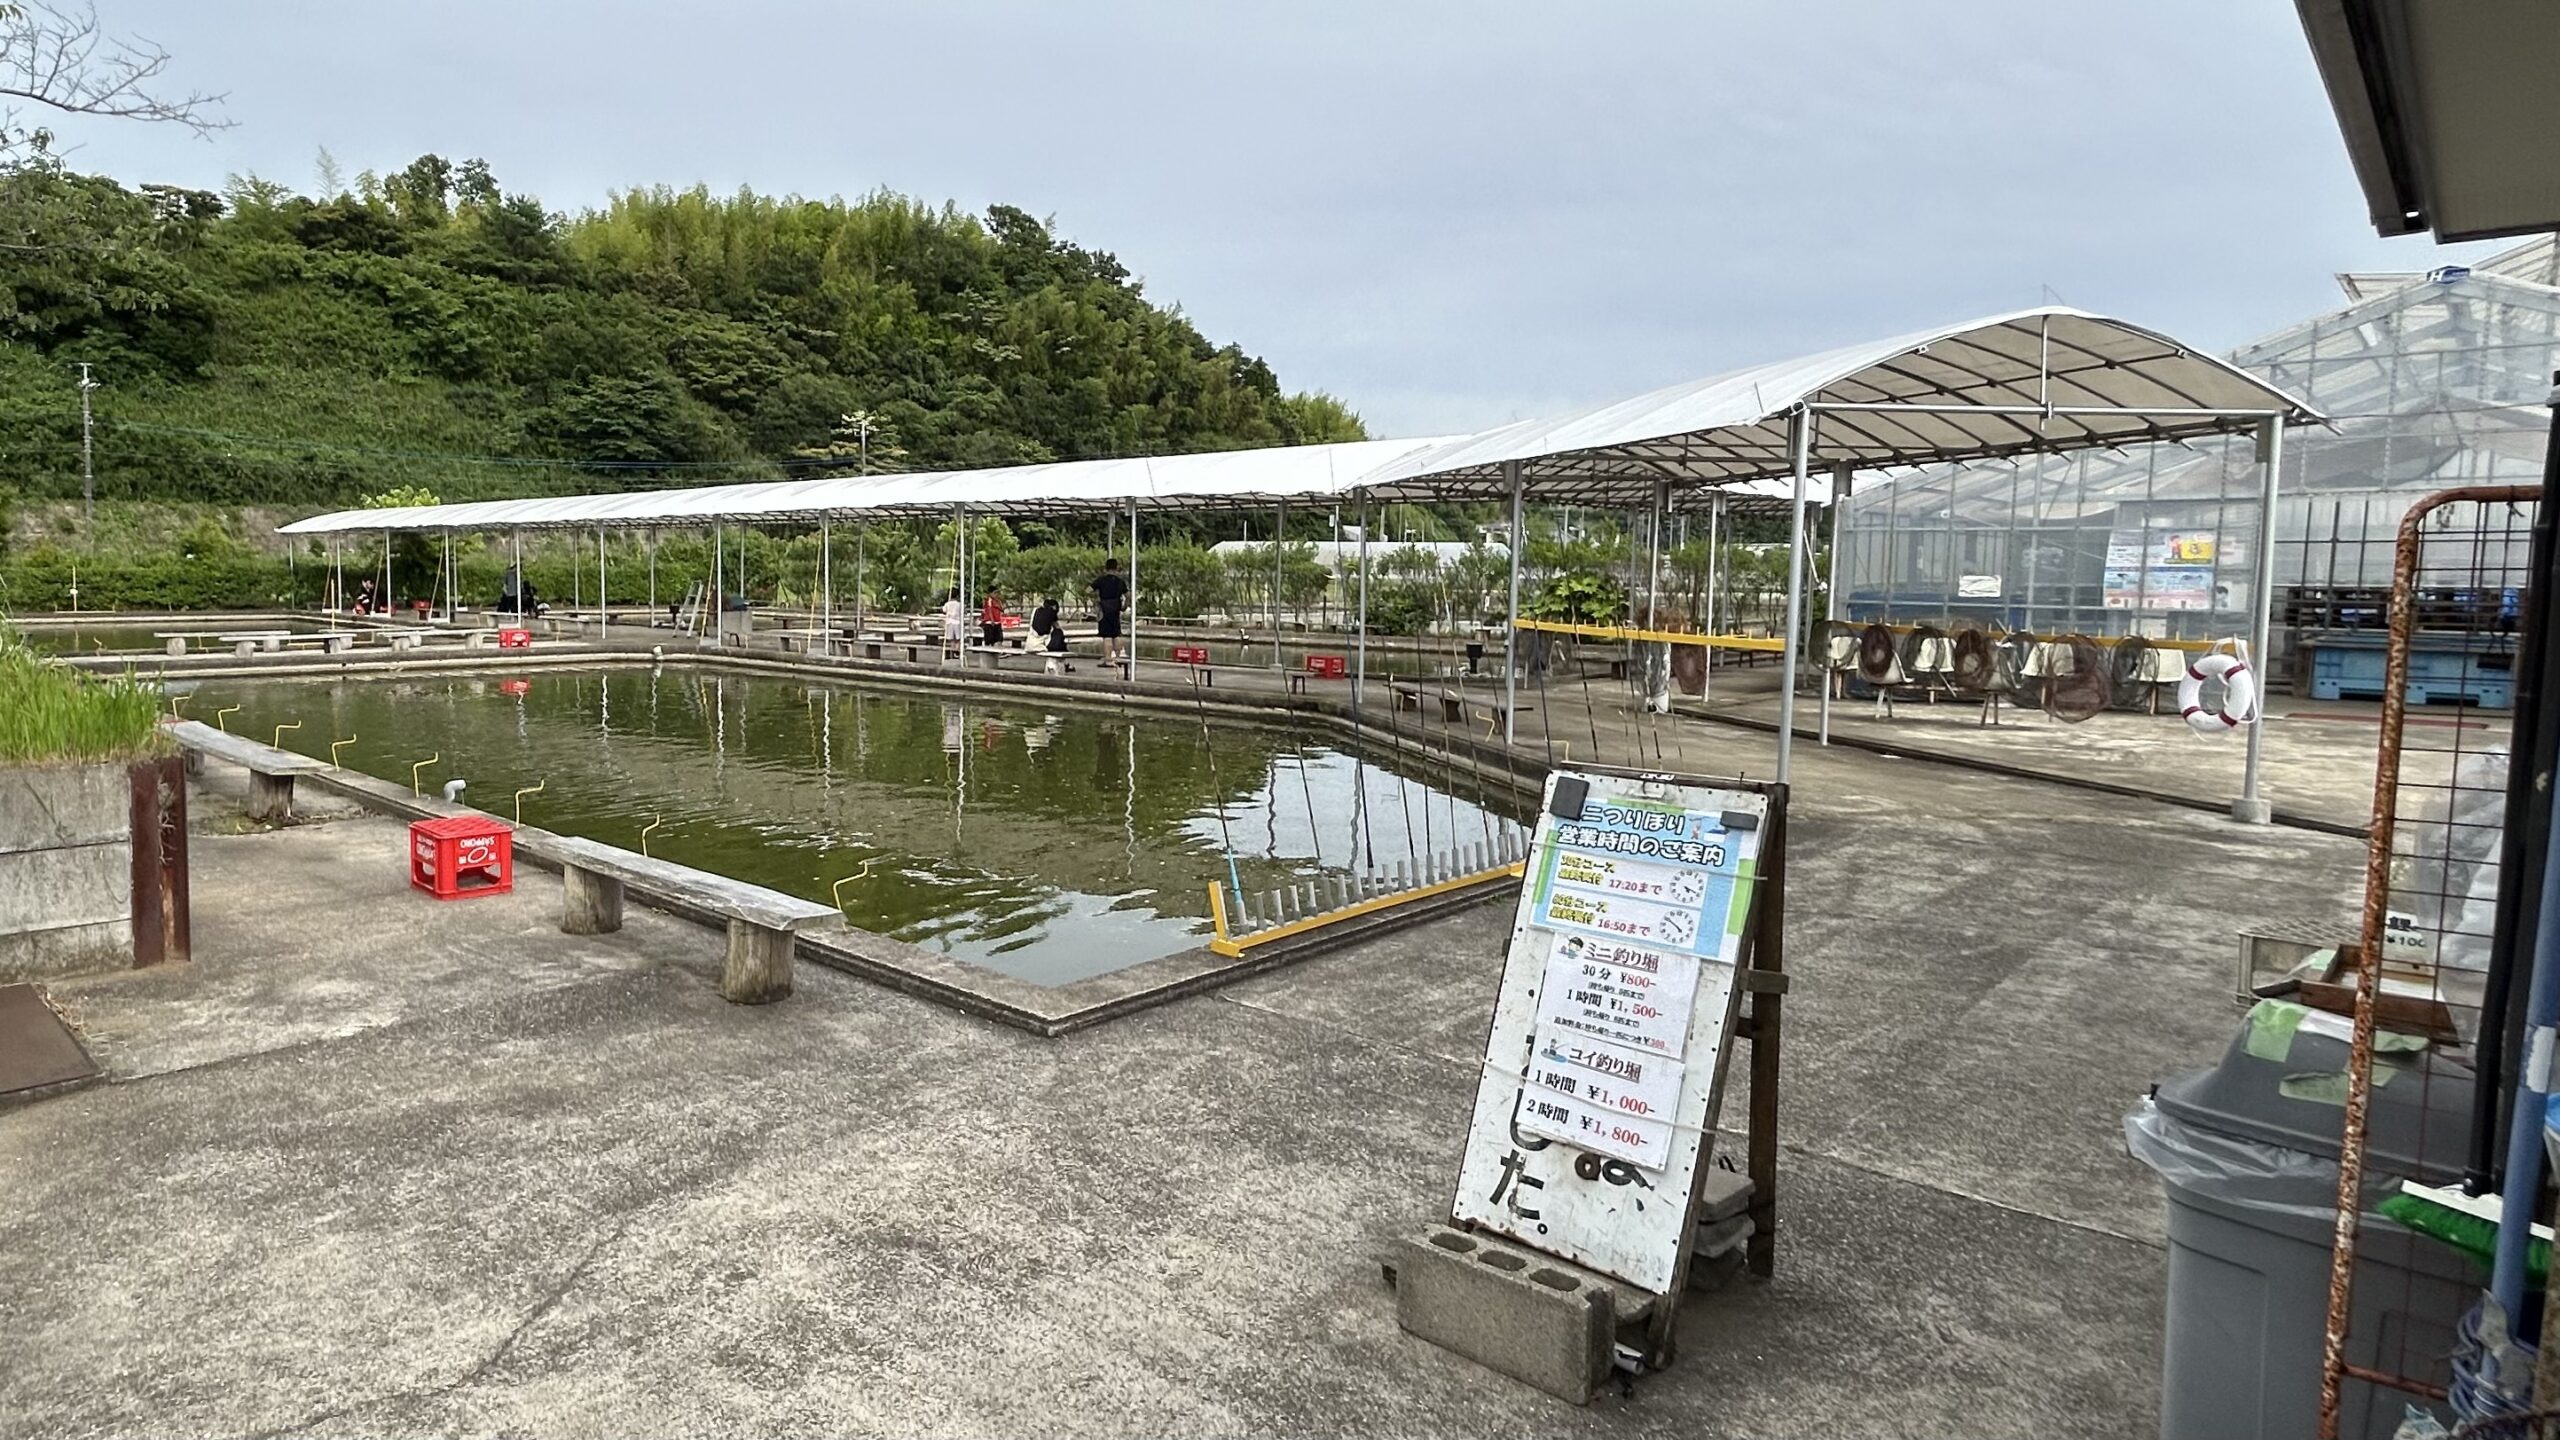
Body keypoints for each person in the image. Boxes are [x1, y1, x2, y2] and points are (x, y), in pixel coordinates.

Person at [1091, 557, 1128, 670]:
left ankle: (1108, 660)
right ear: (1116, 568)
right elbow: (1129, 596)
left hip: (1104, 609)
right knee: (1116, 634)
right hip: (1116, 607)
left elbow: (1087, 590)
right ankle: (1117, 658)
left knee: (1106, 635)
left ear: (1105, 568)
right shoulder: (1120, 582)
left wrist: (1096, 599)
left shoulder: (1101, 580)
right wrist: (1124, 606)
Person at [1031, 594, 1072, 674]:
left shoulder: (1037, 611)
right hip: (1044, 644)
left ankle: (1066, 663)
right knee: (1059, 634)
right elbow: (1057, 627)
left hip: (1031, 643)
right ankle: (1066, 663)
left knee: (1058, 637)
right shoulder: (1051, 613)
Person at [940, 587, 965, 658]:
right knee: (958, 639)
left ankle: (953, 652)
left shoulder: (947, 604)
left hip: (949, 622)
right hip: (957, 623)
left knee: (951, 639)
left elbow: (943, 611)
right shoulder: (959, 604)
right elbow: (964, 612)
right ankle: (957, 652)